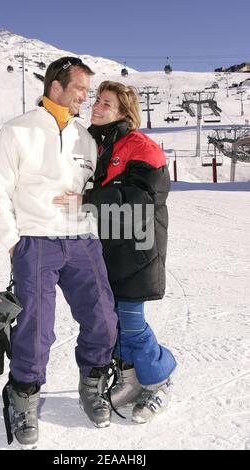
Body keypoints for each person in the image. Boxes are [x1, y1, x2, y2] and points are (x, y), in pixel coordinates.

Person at [0, 58, 118, 448]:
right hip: (36, 241)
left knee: (104, 319)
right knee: (36, 328)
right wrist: (14, 242)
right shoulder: (19, 131)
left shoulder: (85, 138)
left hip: (82, 241)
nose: (85, 96)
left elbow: (91, 189)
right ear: (56, 87)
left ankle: (92, 381)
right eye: (80, 88)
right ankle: (23, 395)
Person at [54, 81, 177, 424]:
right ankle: (130, 377)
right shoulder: (98, 145)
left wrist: (87, 202)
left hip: (138, 244)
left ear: (125, 111)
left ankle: (160, 377)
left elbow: (141, 196)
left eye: (107, 103)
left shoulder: (141, 146)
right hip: (107, 244)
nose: (98, 107)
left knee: (132, 322)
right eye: (98, 101)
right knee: (113, 320)